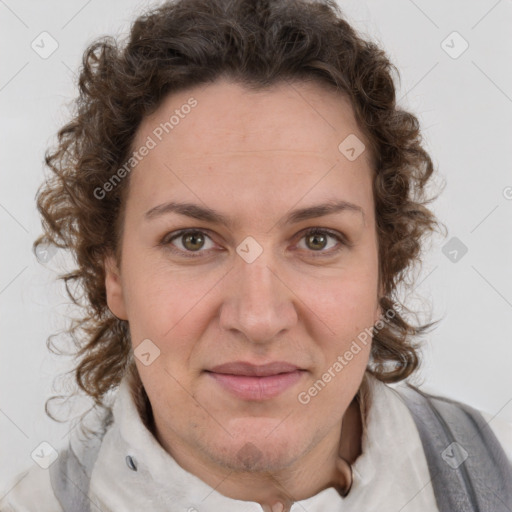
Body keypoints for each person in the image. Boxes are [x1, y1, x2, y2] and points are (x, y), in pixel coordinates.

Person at [1, 0, 511, 510]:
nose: (259, 318)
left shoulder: (488, 466)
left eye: (317, 239)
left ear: (385, 270)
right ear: (113, 273)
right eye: (192, 240)